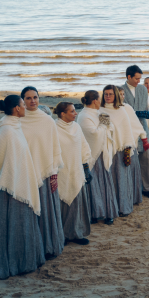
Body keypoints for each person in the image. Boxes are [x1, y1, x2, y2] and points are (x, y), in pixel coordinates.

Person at [0, 95, 45, 279]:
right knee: (14, 225)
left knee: (24, 223)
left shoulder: (14, 125)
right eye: (23, 104)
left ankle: (26, 261)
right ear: (17, 108)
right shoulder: (6, 129)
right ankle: (15, 264)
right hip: (9, 185)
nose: (26, 107)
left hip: (21, 180)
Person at [20, 86, 65, 259]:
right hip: (26, 171)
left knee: (46, 211)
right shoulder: (18, 120)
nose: (33, 101)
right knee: (28, 210)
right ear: (23, 100)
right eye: (28, 98)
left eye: (35, 97)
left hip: (45, 171)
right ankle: (32, 247)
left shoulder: (47, 121)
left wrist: (53, 172)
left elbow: (55, 147)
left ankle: (48, 246)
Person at [102, 85, 148, 216]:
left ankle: (122, 206)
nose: (108, 96)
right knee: (109, 178)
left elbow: (127, 129)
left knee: (121, 178)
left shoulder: (122, 110)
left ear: (115, 95)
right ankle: (110, 207)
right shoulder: (99, 110)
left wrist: (128, 148)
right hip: (106, 149)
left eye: (111, 94)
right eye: (106, 94)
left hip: (120, 149)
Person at [76, 90, 118, 225]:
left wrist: (106, 123)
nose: (101, 101)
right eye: (99, 99)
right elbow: (93, 134)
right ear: (95, 101)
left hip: (102, 153)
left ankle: (107, 212)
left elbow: (109, 126)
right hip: (92, 154)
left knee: (105, 182)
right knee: (93, 183)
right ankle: (95, 213)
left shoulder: (97, 113)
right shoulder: (84, 116)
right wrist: (103, 124)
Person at [53, 102, 92, 245]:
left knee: (76, 204)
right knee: (61, 204)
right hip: (60, 172)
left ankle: (76, 233)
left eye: (75, 111)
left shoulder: (76, 127)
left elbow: (83, 147)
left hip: (76, 170)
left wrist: (86, 167)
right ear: (62, 114)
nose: (76, 113)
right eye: (72, 111)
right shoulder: (54, 128)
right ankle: (62, 235)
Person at [120, 65, 149, 200]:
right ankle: (131, 188)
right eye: (137, 79)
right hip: (128, 130)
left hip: (143, 128)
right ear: (129, 77)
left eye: (140, 79)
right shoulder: (120, 90)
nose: (139, 81)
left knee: (145, 159)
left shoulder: (142, 89)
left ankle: (148, 188)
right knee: (129, 160)